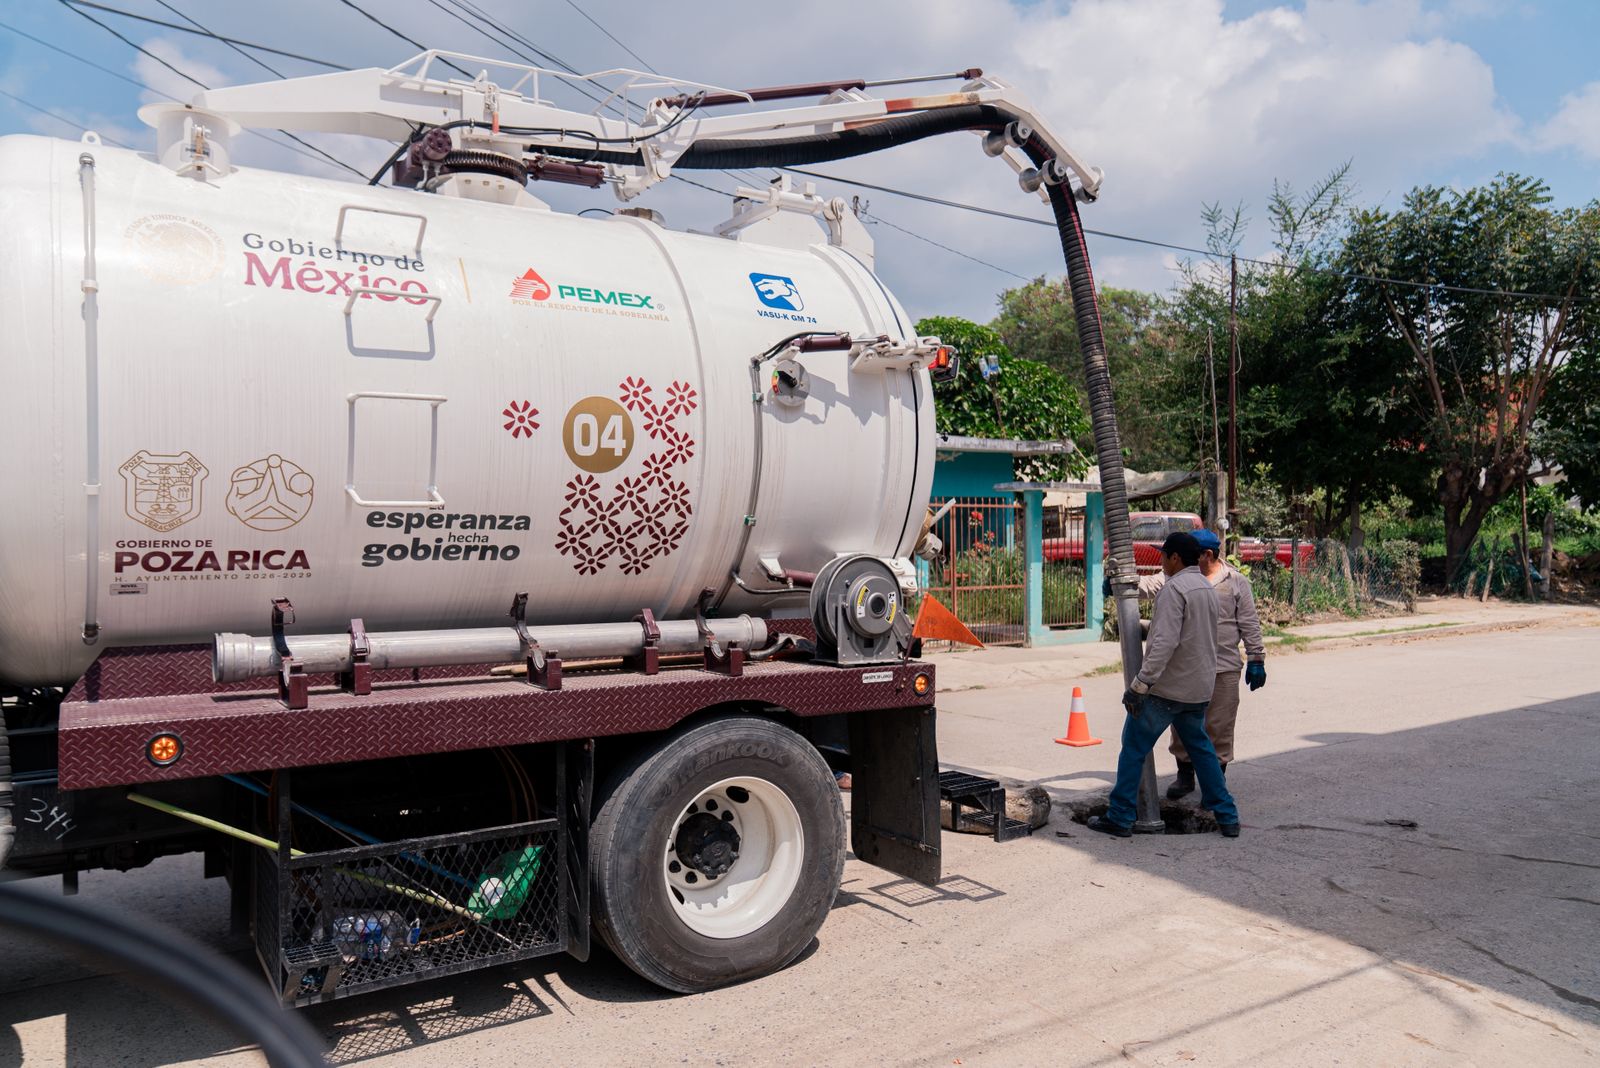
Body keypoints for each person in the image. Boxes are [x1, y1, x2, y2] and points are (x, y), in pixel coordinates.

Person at [1088, 532, 1240, 839]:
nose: (1160, 561)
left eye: (1163, 555)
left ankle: (1120, 816)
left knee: (1134, 748)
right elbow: (1191, 635)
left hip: (1167, 690)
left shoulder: (1174, 590)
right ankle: (1228, 816)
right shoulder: (1206, 588)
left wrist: (1140, 684)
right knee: (1202, 752)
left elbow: (1165, 643)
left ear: (1174, 558)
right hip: (1198, 689)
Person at [1133, 529, 1266, 799]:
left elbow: (1249, 623)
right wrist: (1120, 583)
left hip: (1223, 668)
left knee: (1219, 727)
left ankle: (1214, 787)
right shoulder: (1174, 577)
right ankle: (1185, 776)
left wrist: (1256, 658)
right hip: (1187, 668)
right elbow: (1145, 586)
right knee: (1182, 728)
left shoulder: (1235, 582)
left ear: (1207, 555)